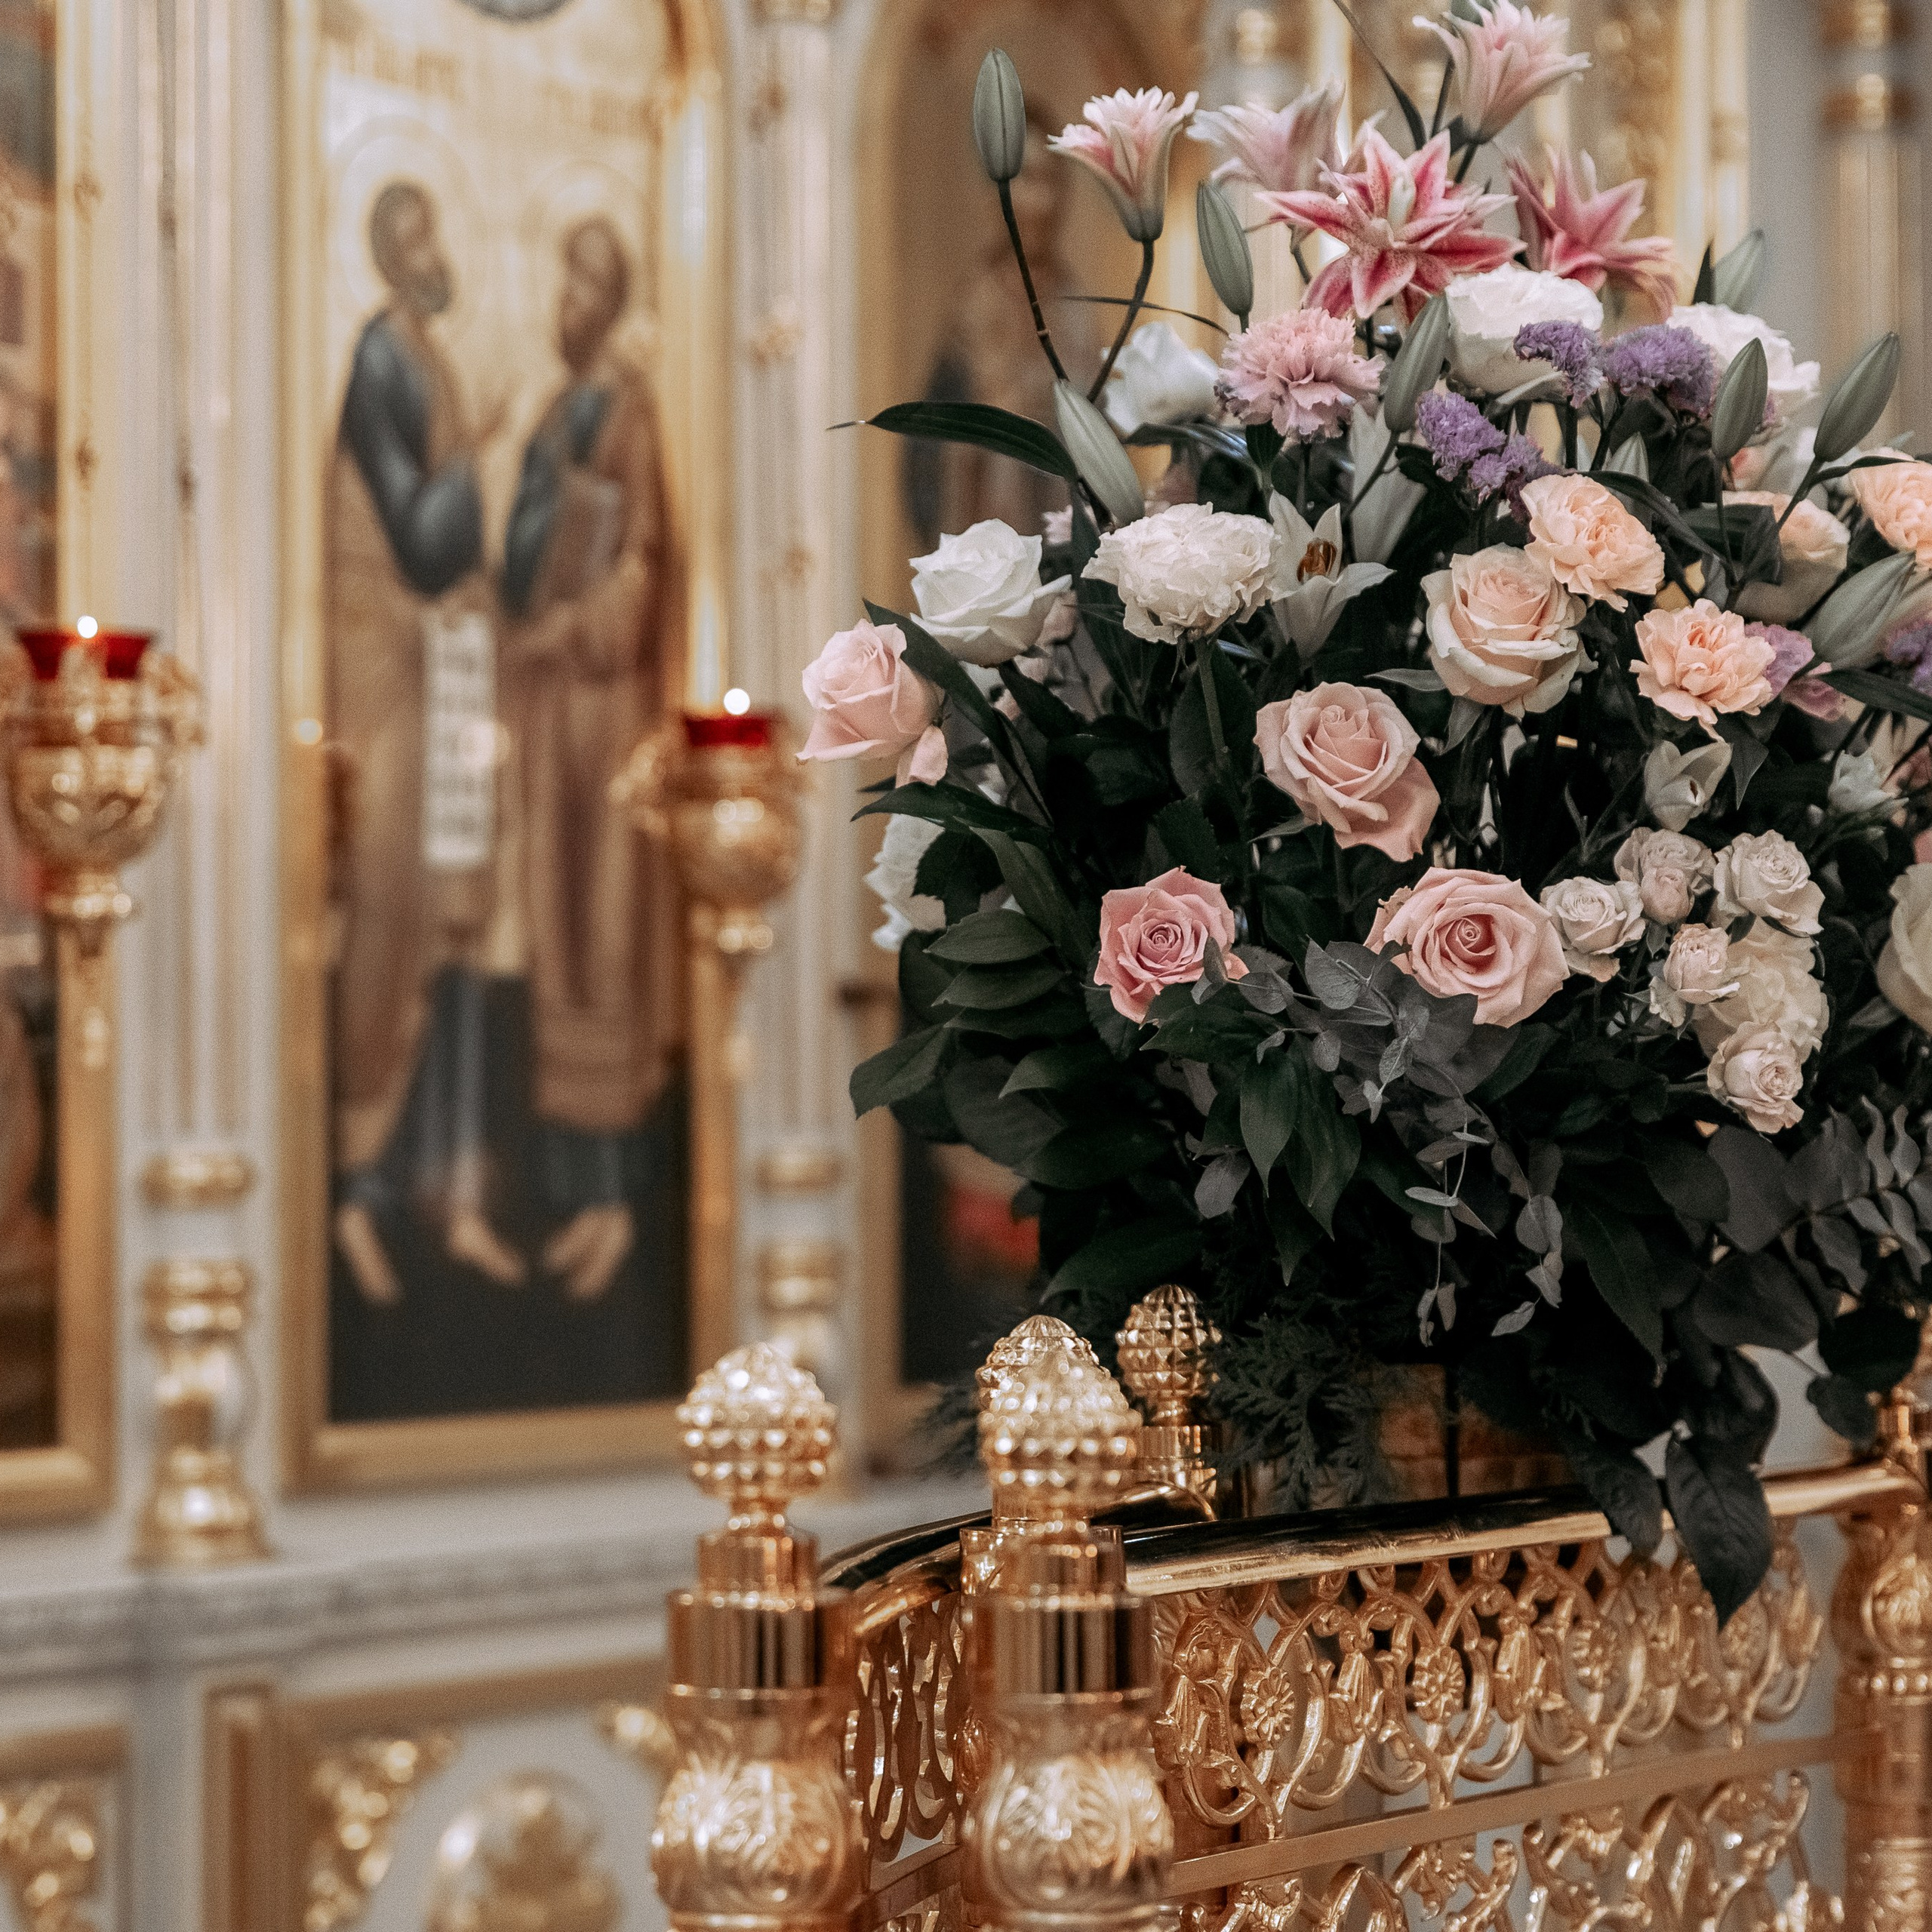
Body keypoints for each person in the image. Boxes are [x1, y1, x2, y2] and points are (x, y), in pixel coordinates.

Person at [325, 177, 521, 1305]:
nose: (428, 253)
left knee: (457, 930)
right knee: (389, 922)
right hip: (385, 670)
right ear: (384, 254)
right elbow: (420, 532)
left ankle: (457, 1199)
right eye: (407, 238)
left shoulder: (427, 358)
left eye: (430, 232)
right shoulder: (379, 359)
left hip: (445, 674)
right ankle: (359, 1193)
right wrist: (480, 446)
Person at [499, 216, 682, 1302]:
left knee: (605, 941)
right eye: (563, 280)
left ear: (610, 303)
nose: (569, 301)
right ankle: (577, 1197)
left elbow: (642, 560)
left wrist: (571, 627)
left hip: (606, 706)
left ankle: (617, 1205)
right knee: (557, 942)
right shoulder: (556, 409)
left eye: (587, 284)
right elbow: (525, 542)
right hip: (549, 710)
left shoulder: (629, 409)